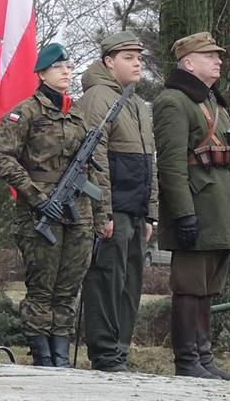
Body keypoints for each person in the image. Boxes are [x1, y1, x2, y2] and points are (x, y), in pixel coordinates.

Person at [0, 41, 107, 367]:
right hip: (39, 209)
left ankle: (61, 358)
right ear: (42, 73)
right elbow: (3, 158)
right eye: (59, 68)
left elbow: (89, 169)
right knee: (42, 288)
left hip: (79, 210)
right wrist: (34, 196)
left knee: (68, 289)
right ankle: (43, 359)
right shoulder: (25, 112)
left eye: (69, 67)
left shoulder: (77, 116)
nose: (66, 72)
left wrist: (101, 214)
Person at [153, 31, 230, 380]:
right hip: (196, 209)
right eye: (210, 55)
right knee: (189, 287)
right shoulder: (173, 102)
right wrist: (183, 213)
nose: (219, 60)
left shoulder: (214, 103)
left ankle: (204, 358)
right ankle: (187, 361)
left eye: (219, 55)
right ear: (189, 63)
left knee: (208, 289)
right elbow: (171, 165)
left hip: (220, 212)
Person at [77, 32, 157, 372]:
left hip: (135, 209)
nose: (137, 62)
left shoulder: (137, 103)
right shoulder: (99, 97)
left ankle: (119, 352)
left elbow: (148, 161)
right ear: (109, 61)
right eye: (128, 57)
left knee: (130, 284)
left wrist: (151, 213)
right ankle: (106, 353)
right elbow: (94, 157)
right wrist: (103, 211)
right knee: (107, 281)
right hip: (114, 209)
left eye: (139, 57)